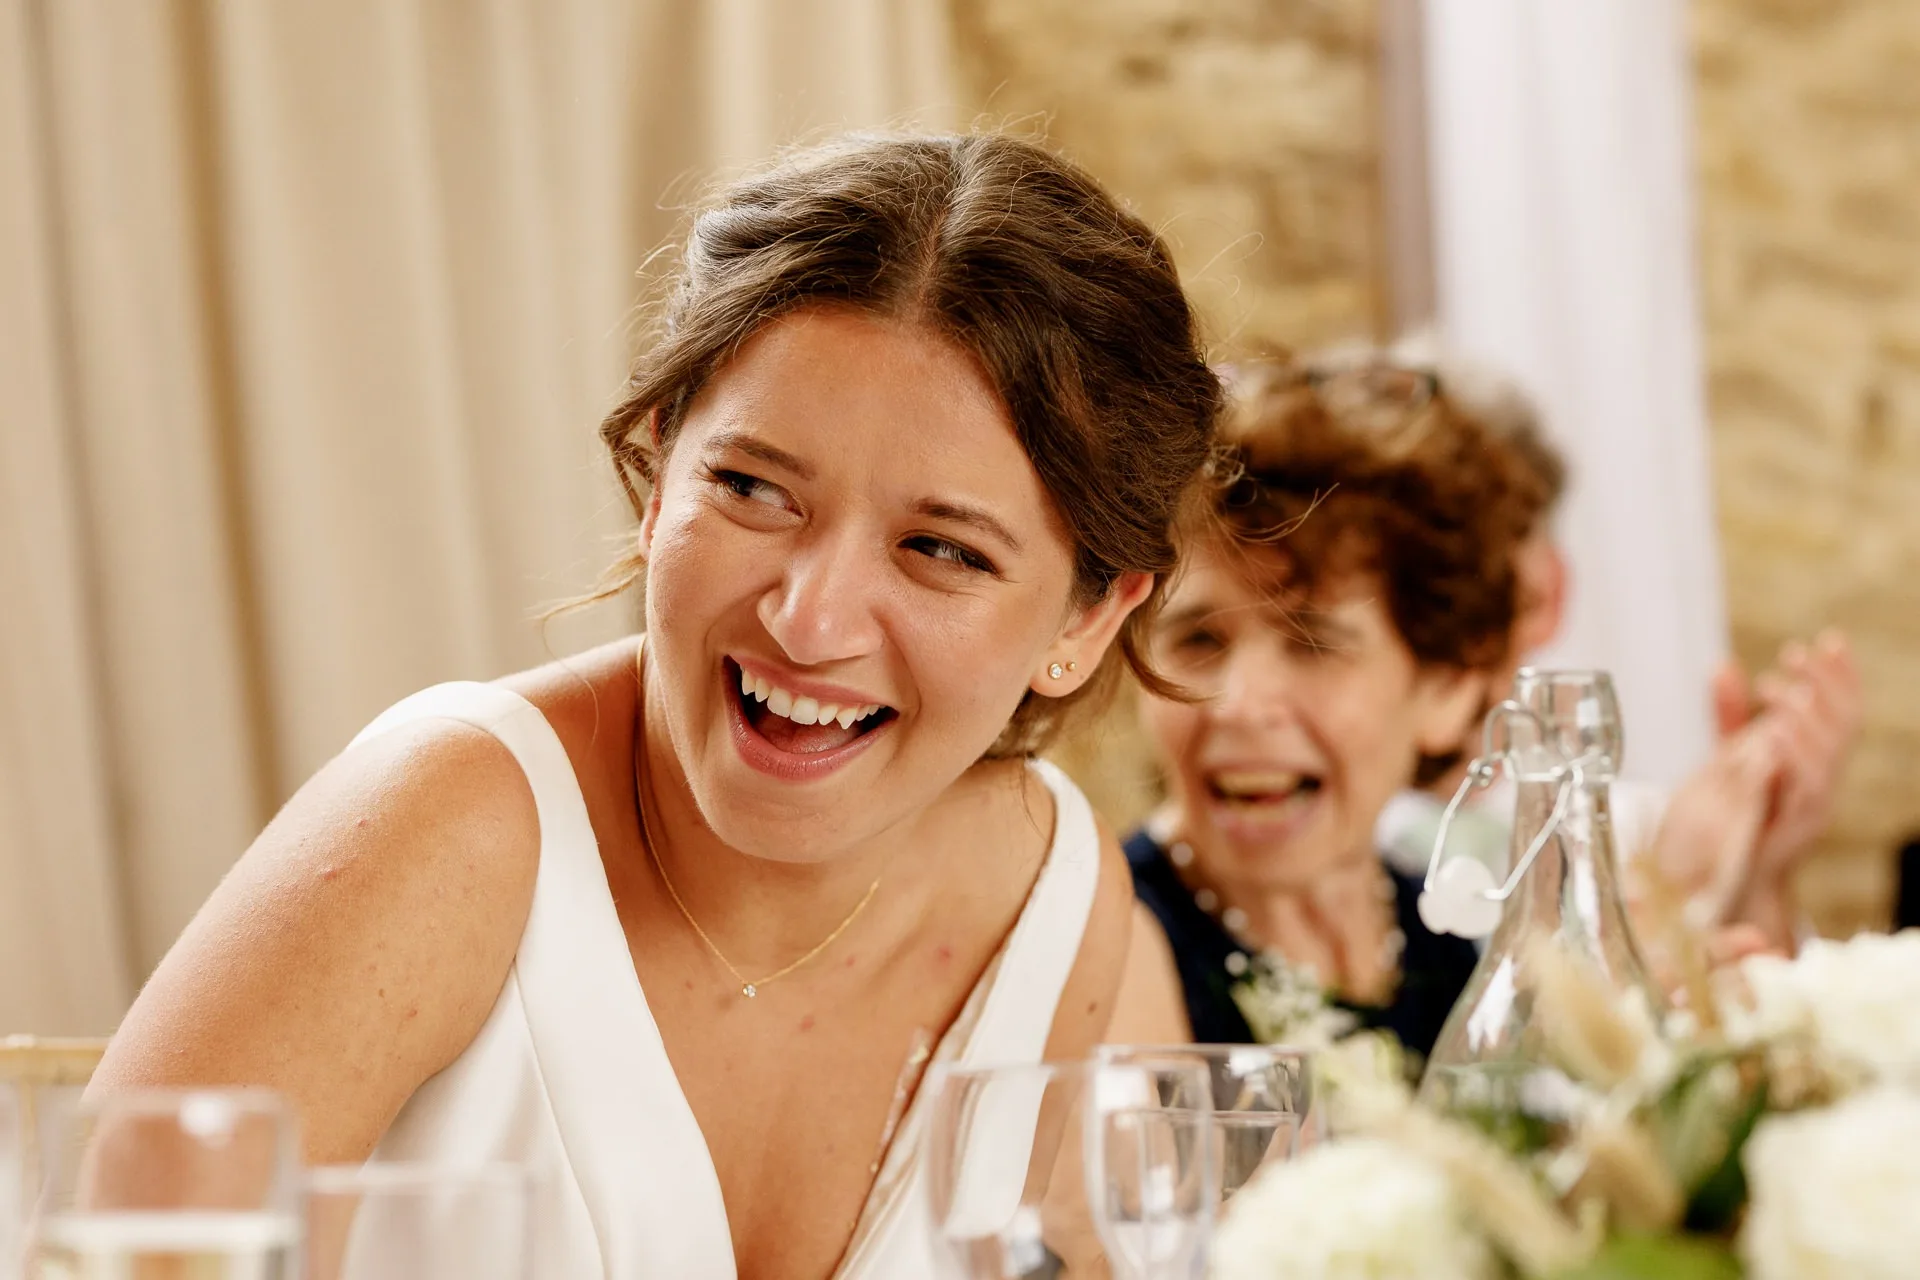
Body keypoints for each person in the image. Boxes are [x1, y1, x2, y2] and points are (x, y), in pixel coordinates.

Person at [91, 133, 1223, 1280]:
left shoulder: (1059, 893)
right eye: (752, 488)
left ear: (1089, 619)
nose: (808, 620)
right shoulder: (442, 827)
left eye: (940, 548)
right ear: (657, 471)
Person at [1106, 357, 1543, 1059]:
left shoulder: (1451, 942)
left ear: (1445, 688)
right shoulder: (1105, 950)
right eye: (1198, 640)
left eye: (1312, 643)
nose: (1238, 705)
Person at [1371, 342, 1863, 954]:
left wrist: (1760, 877)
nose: (1427, 621)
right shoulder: (1290, 830)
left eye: (1464, 577)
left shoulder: (1645, 836)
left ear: (1546, 594)